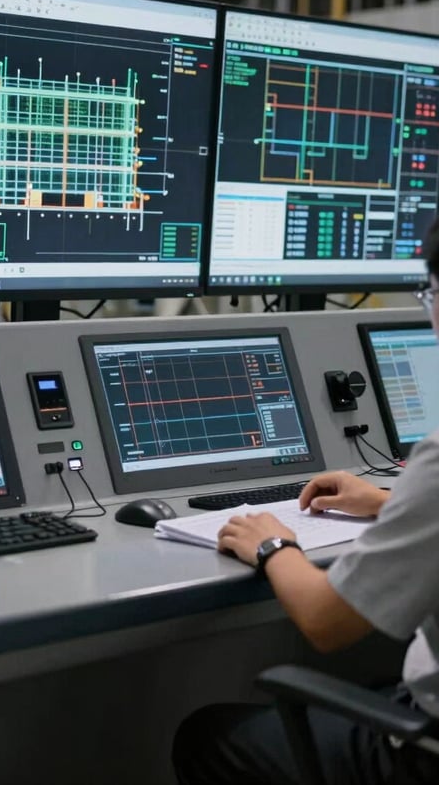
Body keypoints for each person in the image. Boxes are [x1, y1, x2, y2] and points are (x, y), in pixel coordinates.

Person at [172, 217, 439, 785]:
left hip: (422, 755)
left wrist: (273, 544)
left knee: (208, 734)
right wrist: (393, 503)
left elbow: (325, 621)